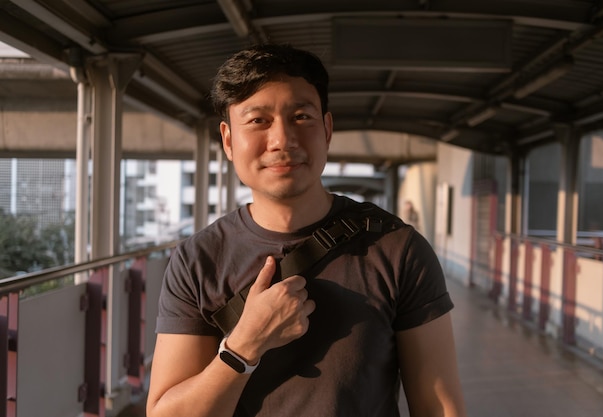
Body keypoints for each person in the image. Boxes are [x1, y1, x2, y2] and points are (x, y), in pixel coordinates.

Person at [146, 44, 466, 417]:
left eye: (301, 116)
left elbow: (440, 407)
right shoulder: (198, 260)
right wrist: (244, 347)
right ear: (229, 140)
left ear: (327, 129)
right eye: (258, 120)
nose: (282, 139)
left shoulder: (397, 248)